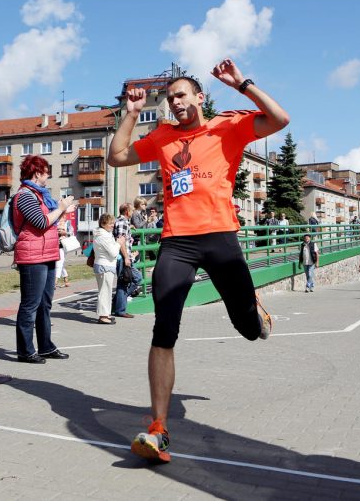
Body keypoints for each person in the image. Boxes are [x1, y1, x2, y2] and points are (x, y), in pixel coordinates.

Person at [108, 58, 290, 463]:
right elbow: (116, 156)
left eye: (181, 96)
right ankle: (159, 428)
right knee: (164, 327)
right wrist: (131, 114)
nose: (175, 103)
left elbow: (279, 119)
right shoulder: (162, 137)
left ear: (200, 97)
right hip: (178, 242)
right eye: (170, 99)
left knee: (247, 329)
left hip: (221, 238)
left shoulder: (228, 125)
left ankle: (254, 311)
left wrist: (242, 83)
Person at [12, 155, 77, 363]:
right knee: (30, 305)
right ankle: (25, 351)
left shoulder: (40, 195)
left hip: (47, 253)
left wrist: (61, 213)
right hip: (32, 257)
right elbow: (40, 222)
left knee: (44, 304)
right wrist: (61, 208)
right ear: (37, 172)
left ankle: (46, 347)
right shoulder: (24, 196)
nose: (48, 175)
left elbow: (48, 222)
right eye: (46, 171)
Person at [92, 214, 121, 324]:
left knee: (106, 291)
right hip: (105, 266)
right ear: (103, 224)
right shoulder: (103, 236)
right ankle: (103, 316)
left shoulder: (103, 234)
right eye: (110, 223)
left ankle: (106, 314)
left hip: (105, 265)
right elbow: (113, 252)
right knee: (105, 292)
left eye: (113, 223)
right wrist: (118, 243)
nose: (113, 225)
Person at [112, 203, 139, 314]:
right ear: (127, 211)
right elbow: (121, 241)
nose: (132, 213)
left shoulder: (121, 221)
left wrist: (130, 226)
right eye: (132, 211)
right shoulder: (123, 222)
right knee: (130, 280)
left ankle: (117, 305)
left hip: (122, 257)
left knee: (125, 281)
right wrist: (126, 257)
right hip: (123, 258)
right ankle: (120, 309)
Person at [54, 218, 71, 288]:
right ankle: (66, 280)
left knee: (58, 265)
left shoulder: (67, 222)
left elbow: (70, 232)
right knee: (61, 265)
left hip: (62, 248)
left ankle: (55, 282)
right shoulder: (56, 221)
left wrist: (65, 234)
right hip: (56, 248)